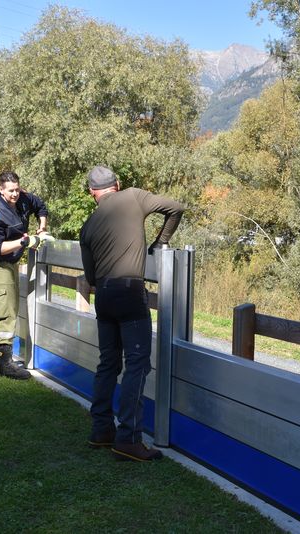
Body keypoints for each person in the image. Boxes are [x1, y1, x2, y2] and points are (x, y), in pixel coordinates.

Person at [79, 165, 184, 462]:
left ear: (92, 192)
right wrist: (160, 241)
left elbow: (91, 275)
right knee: (136, 365)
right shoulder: (134, 196)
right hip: (130, 293)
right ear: (118, 184)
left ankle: (101, 430)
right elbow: (176, 208)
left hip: (104, 297)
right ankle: (129, 439)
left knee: (107, 364)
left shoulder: (88, 225)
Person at [0, 170, 52, 380]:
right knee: (6, 311)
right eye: (10, 191)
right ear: (0, 190)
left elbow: (40, 206)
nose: (15, 194)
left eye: (17, 189)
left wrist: (42, 228)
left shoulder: (23, 198)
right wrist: (23, 242)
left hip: (11, 262)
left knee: (5, 308)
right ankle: (6, 364)